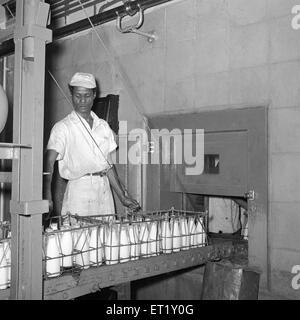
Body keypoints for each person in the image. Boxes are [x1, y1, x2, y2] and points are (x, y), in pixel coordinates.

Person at [44, 72, 140, 218]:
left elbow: (108, 165)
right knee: (78, 237)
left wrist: (122, 197)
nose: (82, 101)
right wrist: (47, 195)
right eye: (78, 95)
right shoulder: (63, 127)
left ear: (94, 95)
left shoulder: (103, 126)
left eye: (87, 95)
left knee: (107, 237)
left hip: (104, 190)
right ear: (71, 94)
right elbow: (48, 162)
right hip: (80, 191)